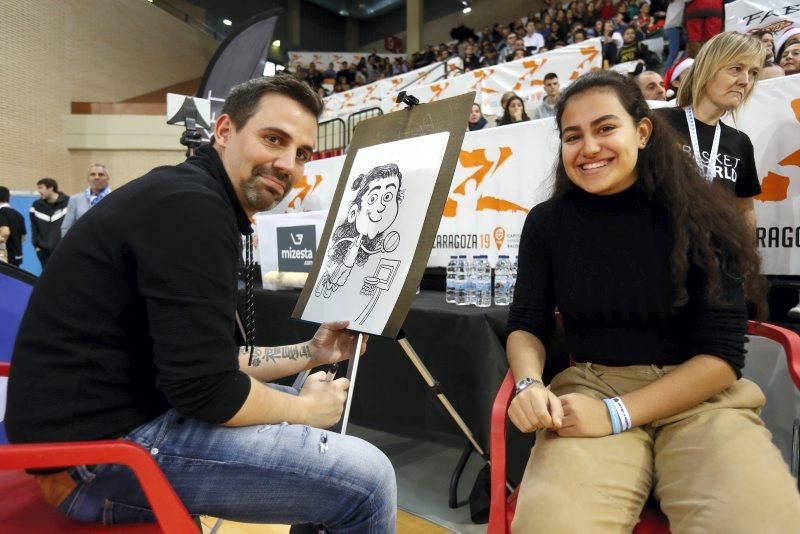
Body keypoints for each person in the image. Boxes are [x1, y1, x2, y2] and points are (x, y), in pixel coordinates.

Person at [6, 75, 397, 531]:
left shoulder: (193, 197)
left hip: (109, 426)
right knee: (369, 480)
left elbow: (208, 363)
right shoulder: (191, 208)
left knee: (303, 409)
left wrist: (311, 352)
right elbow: (207, 391)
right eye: (274, 139)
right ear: (225, 131)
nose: (287, 163)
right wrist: (306, 412)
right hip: (90, 461)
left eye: (302, 154)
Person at [506, 70, 800, 532]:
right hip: (589, 387)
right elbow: (527, 323)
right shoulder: (547, 223)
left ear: (642, 132)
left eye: (606, 128)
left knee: (756, 521)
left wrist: (615, 414)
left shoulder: (704, 215)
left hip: (701, 398)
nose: (589, 148)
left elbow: (721, 358)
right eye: (572, 136)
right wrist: (527, 384)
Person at [657, 32, 763, 229]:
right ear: (707, 69)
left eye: (753, 72)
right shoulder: (658, 123)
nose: (745, 81)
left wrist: (746, 257)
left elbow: (745, 209)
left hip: (715, 256)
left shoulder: (740, 142)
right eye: (736, 68)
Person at [60, 163, 111, 236]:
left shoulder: (116, 198)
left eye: (101, 174)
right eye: (92, 174)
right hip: (81, 245)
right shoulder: (75, 199)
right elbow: (66, 228)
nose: (96, 177)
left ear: (108, 178)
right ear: (88, 178)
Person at [29, 177, 69, 268]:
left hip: (63, 251)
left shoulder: (69, 202)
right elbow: (34, 227)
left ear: (50, 188)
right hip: (44, 253)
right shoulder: (36, 206)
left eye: (41, 187)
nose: (38, 191)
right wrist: (36, 247)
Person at [0, 186, 26, 267]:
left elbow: (5, 233)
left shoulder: (1, 213)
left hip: (5, 259)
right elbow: (23, 238)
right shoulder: (19, 215)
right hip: (16, 257)